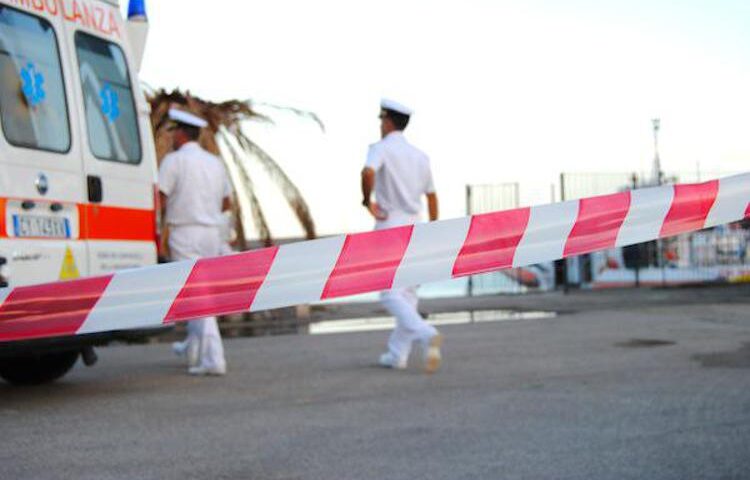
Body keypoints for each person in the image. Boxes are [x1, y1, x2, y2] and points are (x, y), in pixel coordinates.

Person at [361, 98, 442, 373]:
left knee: (388, 292)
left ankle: (425, 332)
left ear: (387, 121)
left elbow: (368, 171)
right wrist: (434, 228)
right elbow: (431, 195)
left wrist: (366, 200)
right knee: (407, 293)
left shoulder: (381, 148)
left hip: (390, 226)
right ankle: (397, 355)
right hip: (416, 227)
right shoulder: (420, 156)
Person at [159, 108, 231, 376]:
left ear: (180, 133)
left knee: (199, 297)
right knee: (198, 293)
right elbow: (227, 202)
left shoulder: (173, 161)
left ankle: (213, 358)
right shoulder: (215, 163)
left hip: (185, 232)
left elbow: (161, 198)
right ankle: (192, 350)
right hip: (211, 233)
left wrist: (159, 231)